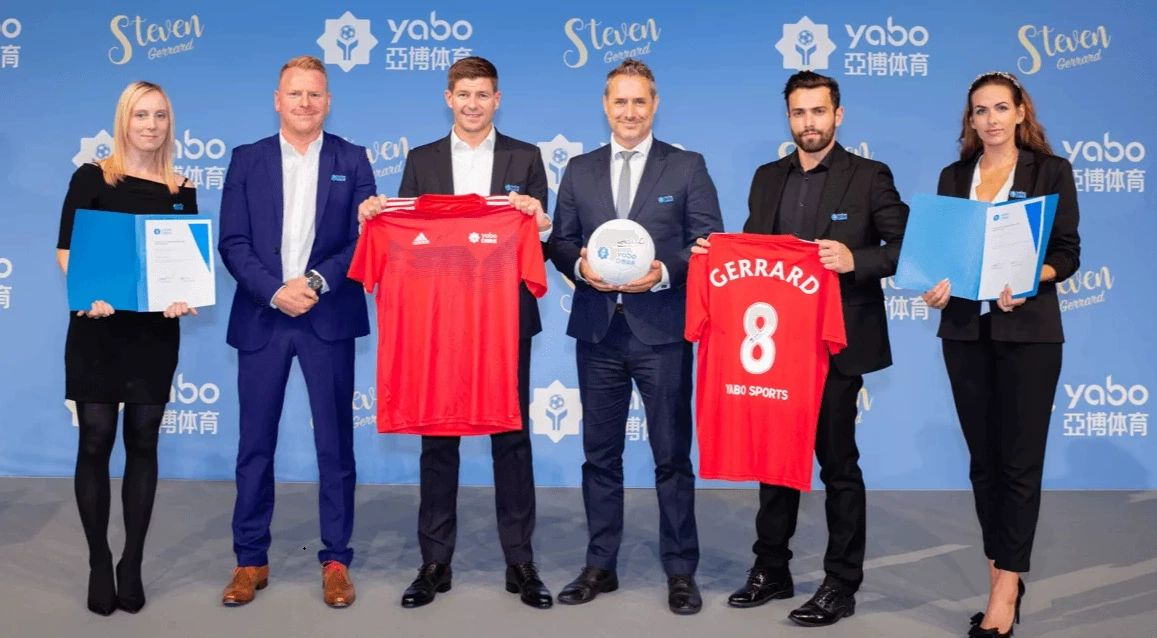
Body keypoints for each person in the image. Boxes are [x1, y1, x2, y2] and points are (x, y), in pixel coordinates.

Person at [697, 70, 908, 627]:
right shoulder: (768, 177)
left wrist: (856, 260)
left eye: (818, 111)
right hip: (776, 348)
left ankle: (841, 583)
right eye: (798, 112)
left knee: (838, 464)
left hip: (837, 346)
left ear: (838, 115)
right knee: (774, 458)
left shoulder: (869, 176)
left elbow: (908, 246)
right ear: (788, 117)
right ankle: (771, 568)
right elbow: (753, 253)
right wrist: (713, 254)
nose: (808, 122)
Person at [356, 56, 554, 610]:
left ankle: (520, 561)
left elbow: (540, 237)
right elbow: (405, 240)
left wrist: (537, 219)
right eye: (464, 94)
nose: (473, 104)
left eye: (482, 94)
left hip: (504, 319)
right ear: (449, 98)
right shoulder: (421, 160)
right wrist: (376, 214)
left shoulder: (526, 157)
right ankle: (434, 561)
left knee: (511, 436)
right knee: (438, 435)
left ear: (497, 99)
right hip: (438, 320)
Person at [544, 58, 724, 615]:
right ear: (605, 106)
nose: (629, 112)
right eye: (620, 102)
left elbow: (708, 241)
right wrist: (580, 267)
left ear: (654, 104)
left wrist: (665, 271)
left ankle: (680, 570)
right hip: (598, 330)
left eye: (639, 101)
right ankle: (600, 565)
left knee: (671, 455)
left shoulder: (686, 166)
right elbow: (560, 241)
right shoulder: (580, 170)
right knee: (600, 456)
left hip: (662, 332)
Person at [921, 71, 1080, 638]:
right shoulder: (953, 176)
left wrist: (1034, 276)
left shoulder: (1050, 171)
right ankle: (1001, 572)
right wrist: (935, 287)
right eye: (979, 110)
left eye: (1000, 108)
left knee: (1018, 464)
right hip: (965, 334)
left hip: (1028, 336)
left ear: (1020, 112)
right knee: (983, 464)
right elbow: (943, 256)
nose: (990, 119)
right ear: (970, 119)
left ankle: (1005, 589)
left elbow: (1067, 252)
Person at [216, 55, 375, 608]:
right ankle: (249, 559)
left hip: (326, 317)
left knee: (335, 445)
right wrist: (274, 290)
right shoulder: (247, 159)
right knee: (255, 446)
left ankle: (336, 560)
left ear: (328, 102)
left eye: (315, 94)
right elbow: (232, 241)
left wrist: (312, 282)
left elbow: (363, 238)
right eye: (295, 93)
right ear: (277, 100)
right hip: (264, 316)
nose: (305, 103)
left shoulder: (352, 159)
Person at [55, 80, 198, 615]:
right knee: (95, 440)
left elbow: (185, 261)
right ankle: (99, 560)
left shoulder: (181, 187)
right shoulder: (92, 177)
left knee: (143, 441)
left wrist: (184, 296)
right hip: (98, 327)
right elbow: (66, 250)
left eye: (160, 115)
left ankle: (131, 561)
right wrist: (86, 292)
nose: (150, 125)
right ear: (124, 120)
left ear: (169, 123)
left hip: (154, 333)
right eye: (141, 115)